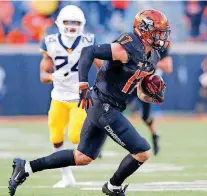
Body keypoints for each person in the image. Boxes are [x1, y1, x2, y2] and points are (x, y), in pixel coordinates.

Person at [9, 9, 170, 196]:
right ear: (144, 30)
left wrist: (151, 92)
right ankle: (113, 187)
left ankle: (26, 167)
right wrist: (83, 84)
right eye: (158, 32)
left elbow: (140, 91)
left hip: (108, 106)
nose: (162, 37)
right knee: (142, 151)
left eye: (163, 32)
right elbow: (89, 51)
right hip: (104, 105)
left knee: (82, 157)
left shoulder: (154, 56)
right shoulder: (128, 46)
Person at [39, 5, 102, 188]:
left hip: (79, 98)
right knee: (56, 137)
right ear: (59, 23)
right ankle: (67, 177)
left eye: (75, 22)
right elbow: (43, 75)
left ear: (82, 24)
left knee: (76, 137)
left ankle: (98, 130)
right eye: (68, 22)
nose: (72, 26)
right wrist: (52, 76)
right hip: (58, 97)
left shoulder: (88, 41)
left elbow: (102, 67)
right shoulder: (50, 41)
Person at [128, 49, 173, 156]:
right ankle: (99, 142)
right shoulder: (136, 44)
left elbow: (168, 67)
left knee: (145, 117)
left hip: (148, 86)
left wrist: (149, 63)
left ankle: (154, 134)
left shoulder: (160, 47)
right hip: (132, 81)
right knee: (113, 108)